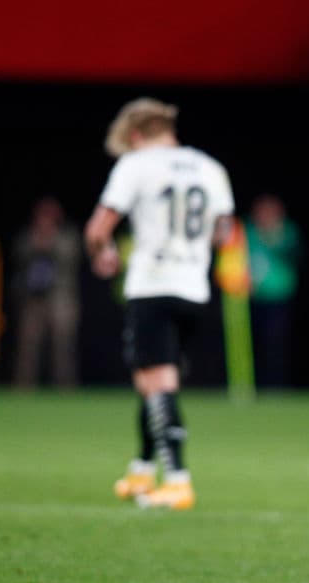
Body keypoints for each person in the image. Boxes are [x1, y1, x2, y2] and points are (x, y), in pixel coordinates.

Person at [84, 98, 235, 510]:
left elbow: (99, 228)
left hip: (152, 285)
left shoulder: (136, 165)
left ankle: (179, 481)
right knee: (151, 381)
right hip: (193, 290)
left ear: (135, 135)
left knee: (159, 384)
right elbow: (223, 233)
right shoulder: (209, 167)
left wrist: (103, 253)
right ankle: (142, 469)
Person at [11, 196, 81, 388]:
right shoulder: (29, 235)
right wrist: (37, 239)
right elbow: (18, 253)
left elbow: (72, 256)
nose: (45, 219)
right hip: (33, 297)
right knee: (28, 345)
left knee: (62, 346)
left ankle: (64, 387)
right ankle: (23, 388)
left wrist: (51, 240)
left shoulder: (66, 235)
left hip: (60, 296)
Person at [244, 194, 301, 387]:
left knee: (276, 346)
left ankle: (276, 386)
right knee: (251, 345)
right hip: (251, 298)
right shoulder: (247, 232)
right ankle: (253, 386)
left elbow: (294, 255)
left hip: (278, 299)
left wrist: (273, 237)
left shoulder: (287, 233)